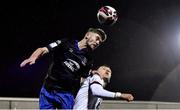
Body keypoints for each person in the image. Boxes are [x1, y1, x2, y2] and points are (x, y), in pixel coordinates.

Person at [20, 28, 107, 109]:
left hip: (66, 94)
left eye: (100, 42)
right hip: (48, 90)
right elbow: (43, 49)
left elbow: (83, 80)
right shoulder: (66, 43)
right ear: (87, 35)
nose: (98, 42)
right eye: (97, 38)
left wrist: (91, 77)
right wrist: (33, 57)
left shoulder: (88, 60)